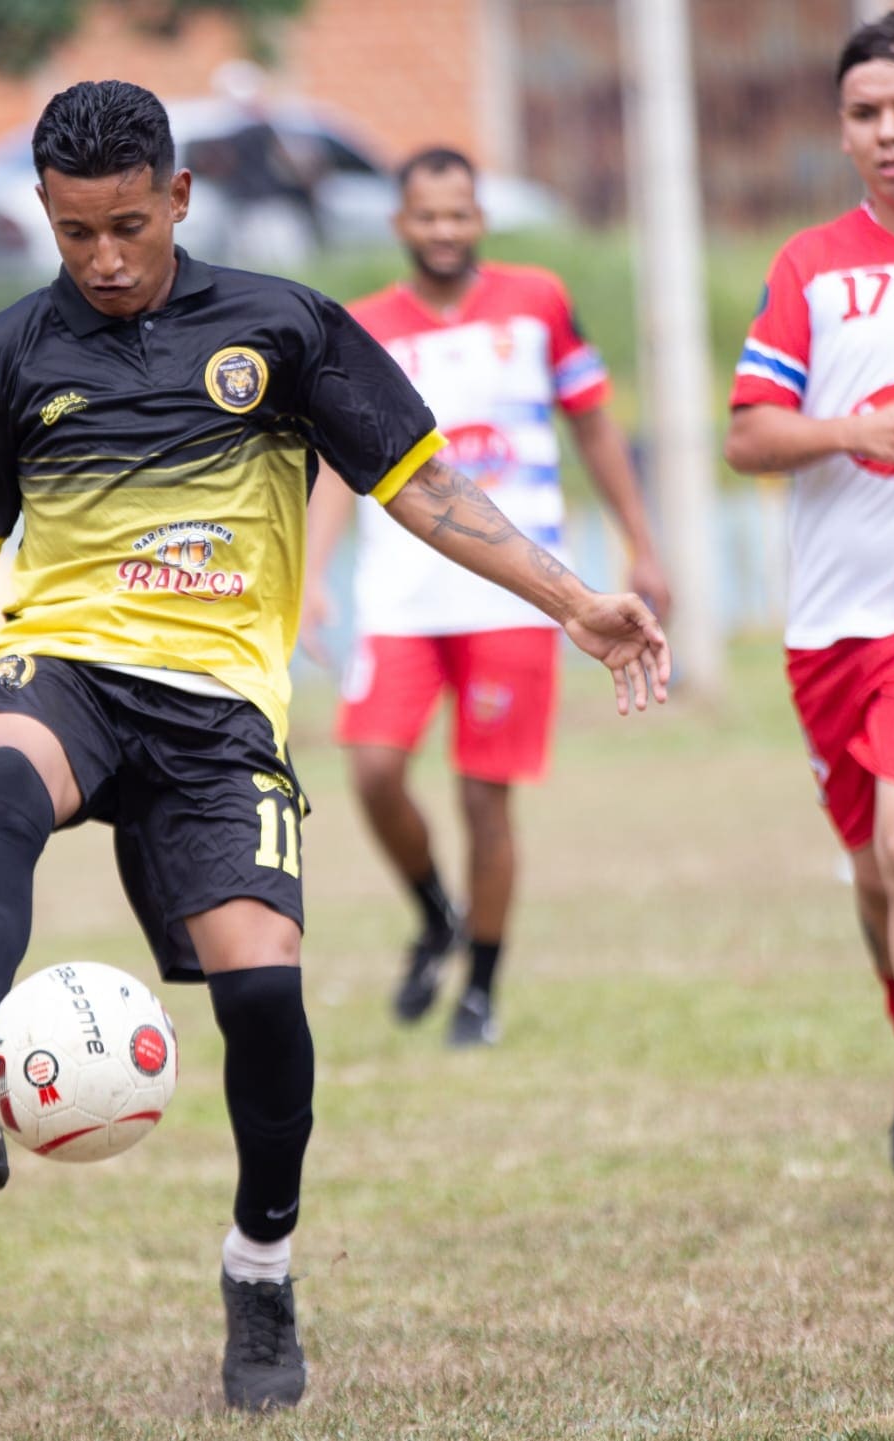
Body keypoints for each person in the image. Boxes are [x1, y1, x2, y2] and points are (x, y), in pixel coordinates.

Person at [0, 80, 669, 1412]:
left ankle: (261, 1263)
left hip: (219, 710)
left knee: (263, 1000)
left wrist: (575, 599)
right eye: (75, 234)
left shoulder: (285, 327)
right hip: (65, 666)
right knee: (4, 776)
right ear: (46, 217)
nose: (105, 259)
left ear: (180, 197)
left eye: (129, 226)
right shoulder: (3, 355)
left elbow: (423, 482)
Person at [304, 148, 671, 1046]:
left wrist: (641, 540)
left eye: (458, 214)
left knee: (484, 798)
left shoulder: (538, 302)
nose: (443, 230)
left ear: (480, 218)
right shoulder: (365, 326)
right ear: (401, 223)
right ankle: (436, 913)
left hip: (515, 596)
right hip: (400, 598)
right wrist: (312, 573)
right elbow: (340, 464)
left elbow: (595, 427)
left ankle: (480, 988)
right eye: (426, 216)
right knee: (374, 770)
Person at [725, 11, 894, 1193]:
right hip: (832, 629)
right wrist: (852, 431)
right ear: (841, 130)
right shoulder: (811, 268)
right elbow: (748, 436)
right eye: (866, 113)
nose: (890, 132)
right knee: (879, 878)